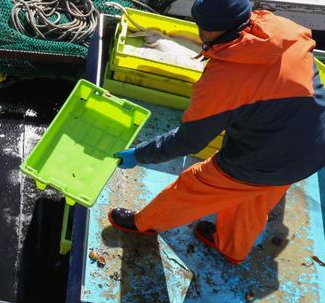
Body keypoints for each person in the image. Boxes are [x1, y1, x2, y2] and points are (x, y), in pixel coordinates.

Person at [108, 0, 325, 264]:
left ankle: (144, 223)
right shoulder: (284, 28)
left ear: (208, 30)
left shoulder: (224, 78)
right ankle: (231, 249)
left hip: (262, 159)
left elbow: (189, 141)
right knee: (253, 199)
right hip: (313, 149)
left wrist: (140, 154)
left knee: (194, 186)